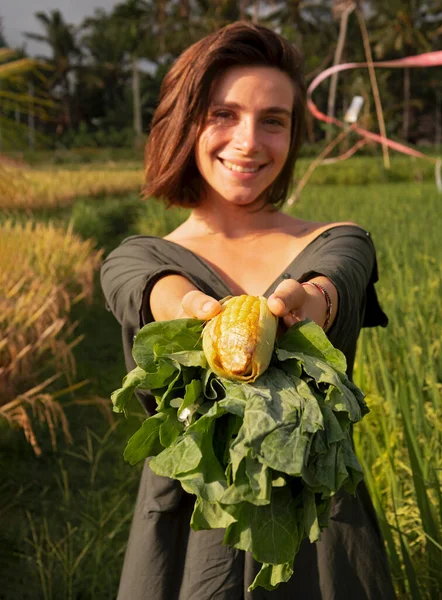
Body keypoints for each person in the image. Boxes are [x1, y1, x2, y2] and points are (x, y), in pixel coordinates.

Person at [101, 21, 395, 600]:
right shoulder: (137, 259)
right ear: (184, 121)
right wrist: (192, 307)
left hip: (316, 523)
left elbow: (334, 282)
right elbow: (151, 290)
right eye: (223, 114)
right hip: (188, 525)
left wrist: (301, 302)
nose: (249, 141)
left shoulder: (339, 238)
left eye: (274, 121)